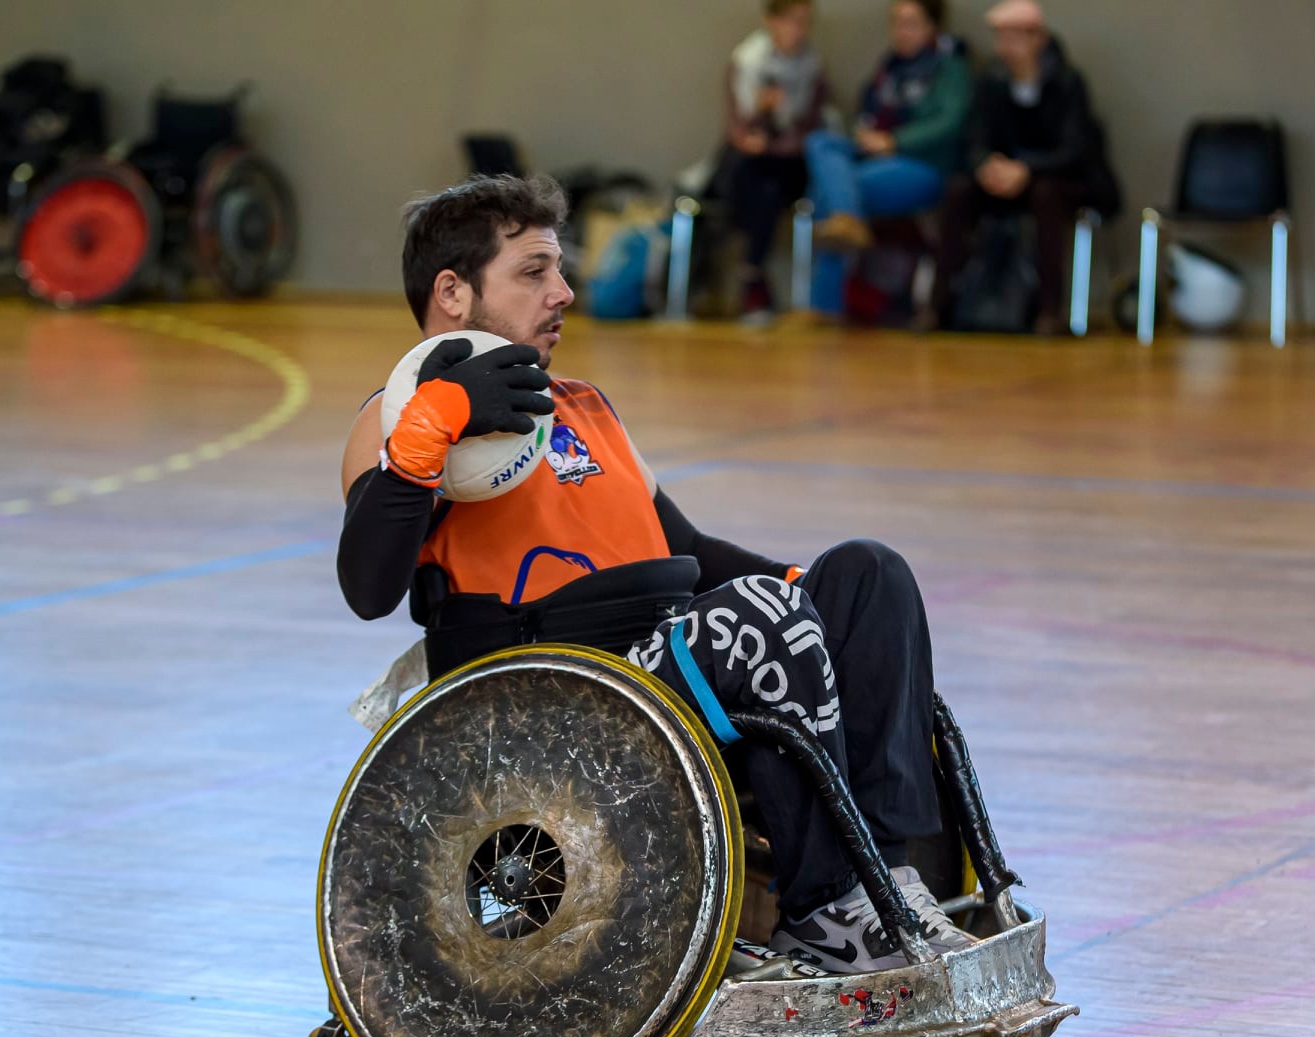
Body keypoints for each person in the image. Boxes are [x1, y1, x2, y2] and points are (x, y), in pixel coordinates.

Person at [336, 174, 975, 973]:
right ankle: (827, 915)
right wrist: (433, 427)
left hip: (666, 664)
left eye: (558, 270)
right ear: (453, 292)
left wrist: (816, 601)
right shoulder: (396, 420)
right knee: (754, 620)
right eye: (534, 272)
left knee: (868, 577)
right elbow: (368, 588)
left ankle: (891, 884)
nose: (563, 292)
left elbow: (688, 548)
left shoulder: (581, 404)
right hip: (554, 706)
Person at [934, 0, 1119, 335]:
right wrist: (986, 165)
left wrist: (1027, 169)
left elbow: (1075, 150)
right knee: (958, 190)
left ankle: (1049, 309)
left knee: (1045, 195)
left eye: (1014, 37)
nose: (1005, 47)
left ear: (1038, 39)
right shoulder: (992, 80)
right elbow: (976, 137)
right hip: (1006, 181)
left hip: (1060, 181)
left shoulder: (1067, 81)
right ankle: (939, 304)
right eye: (1000, 37)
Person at [803, 0, 972, 316]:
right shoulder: (888, 70)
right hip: (875, 157)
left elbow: (950, 122)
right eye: (896, 22)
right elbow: (868, 113)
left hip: (924, 165)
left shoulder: (951, 68)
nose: (901, 31)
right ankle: (846, 218)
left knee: (829, 190)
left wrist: (894, 141)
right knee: (821, 142)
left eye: (911, 23)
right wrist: (866, 136)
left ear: (932, 27)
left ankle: (824, 305)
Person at [718, 0, 828, 324]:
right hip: (755, 164)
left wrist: (780, 139)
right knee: (754, 176)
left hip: (791, 164)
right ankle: (753, 275)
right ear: (771, 21)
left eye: (804, 22)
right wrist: (762, 112)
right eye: (790, 21)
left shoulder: (812, 66)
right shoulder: (748, 60)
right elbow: (738, 129)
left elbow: (812, 126)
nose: (798, 30)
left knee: (767, 178)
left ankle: (750, 277)